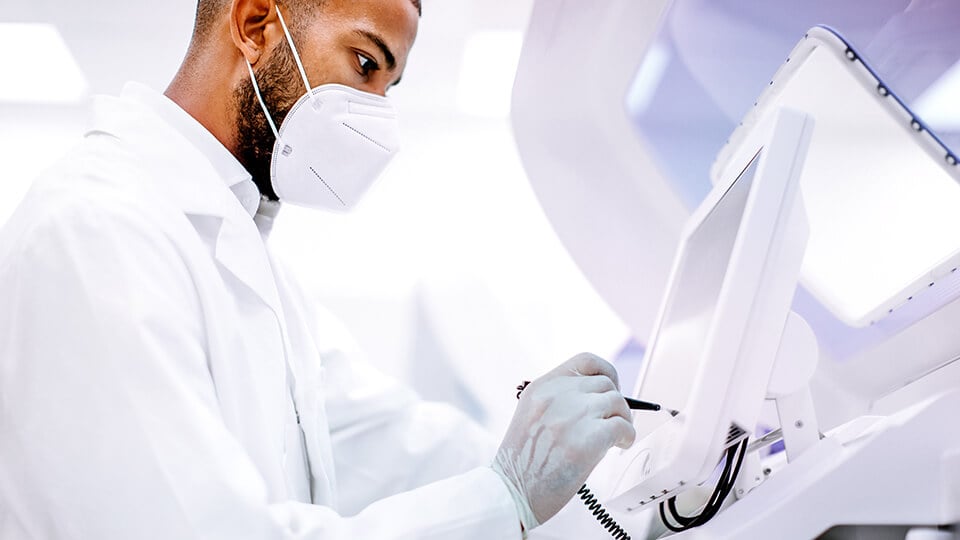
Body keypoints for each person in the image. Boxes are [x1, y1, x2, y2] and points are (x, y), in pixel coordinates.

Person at [0, 0, 636, 538]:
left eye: (389, 88)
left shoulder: (252, 260)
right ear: (255, 24)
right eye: (365, 64)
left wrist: (608, 482)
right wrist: (506, 495)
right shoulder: (97, 229)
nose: (378, 116)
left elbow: (392, 442)